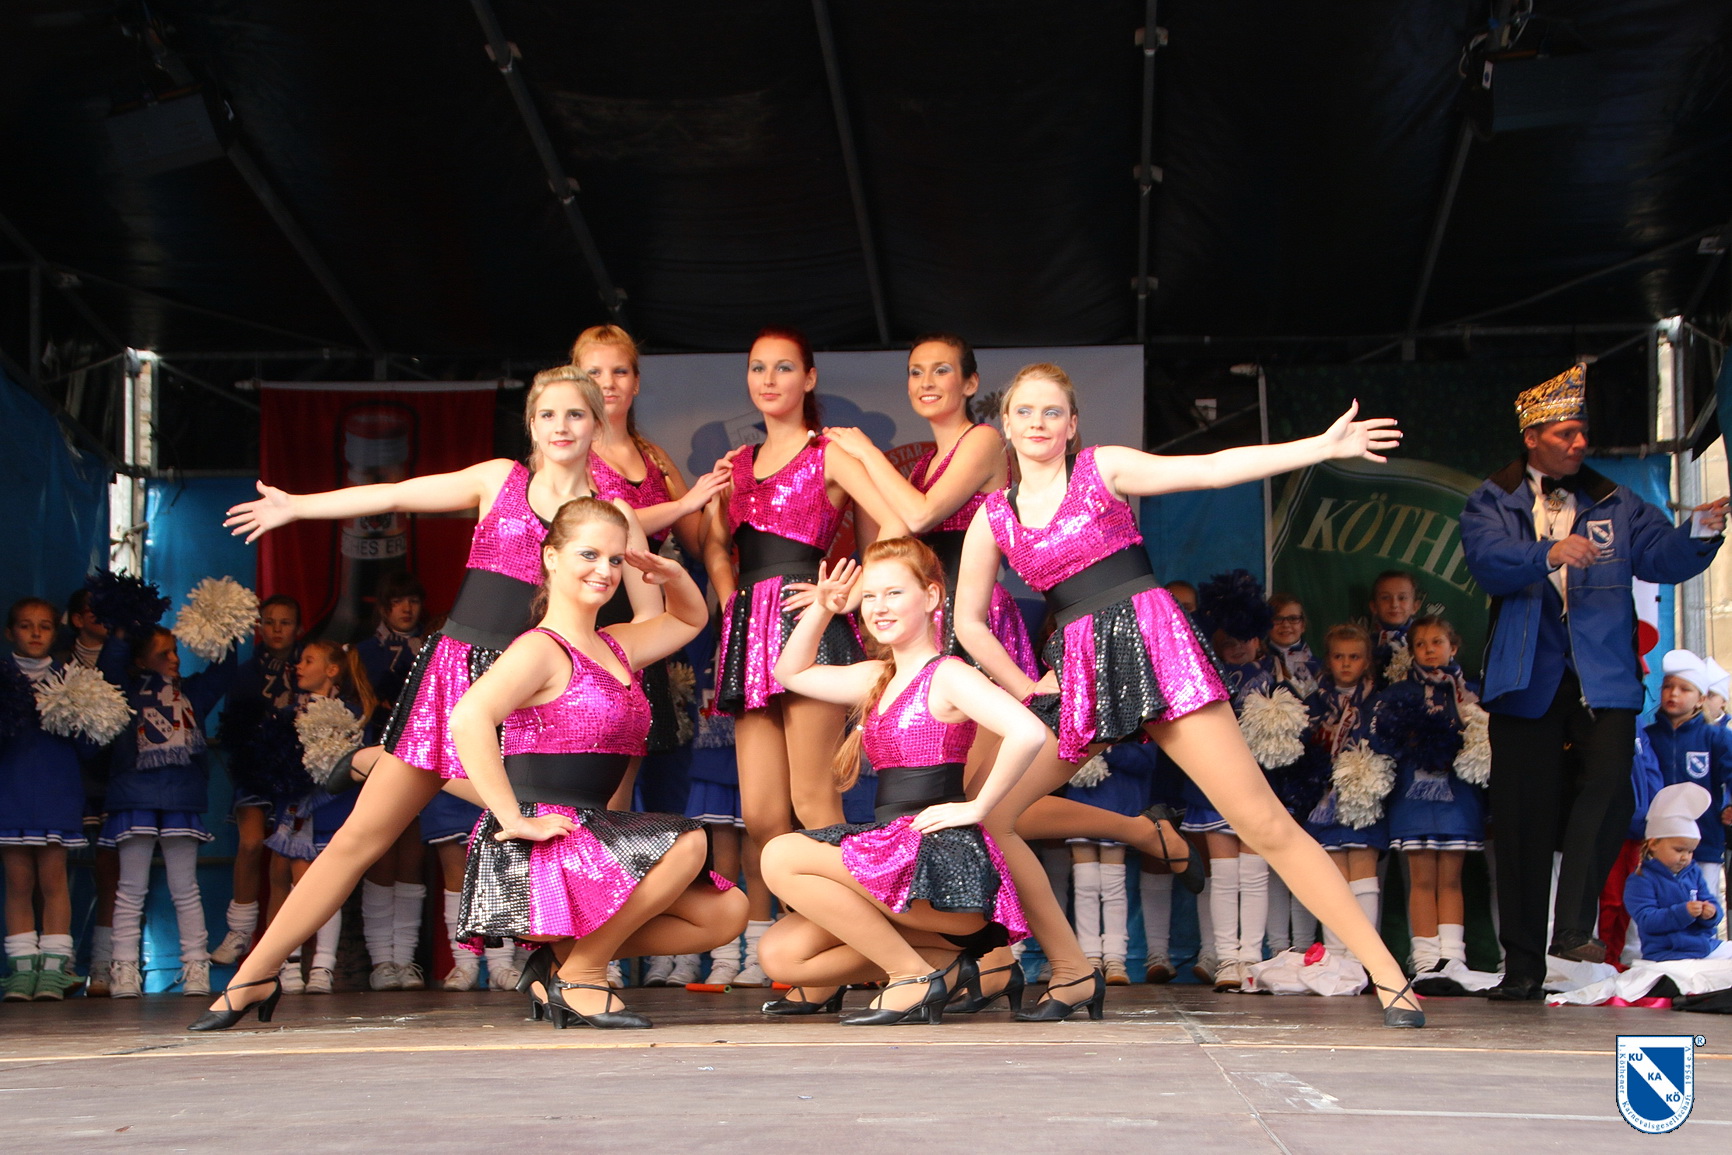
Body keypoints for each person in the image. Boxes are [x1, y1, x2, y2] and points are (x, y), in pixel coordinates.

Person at [953, 363, 1422, 1025]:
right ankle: (1072, 970)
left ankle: (1390, 975)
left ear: (1073, 423)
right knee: (992, 815)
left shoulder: (1102, 468)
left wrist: (1319, 446)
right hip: (1082, 668)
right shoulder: (993, 517)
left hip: (1155, 645)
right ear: (1006, 423)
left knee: (1262, 823)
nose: (1038, 422)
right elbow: (968, 622)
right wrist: (1027, 684)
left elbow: (1212, 469)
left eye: (1052, 411)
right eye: (1025, 411)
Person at [192, 367, 660, 1029]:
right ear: (531, 424)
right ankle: (255, 974)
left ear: (597, 423)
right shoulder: (499, 479)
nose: (562, 427)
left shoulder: (615, 517)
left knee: (567, 831)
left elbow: (650, 619)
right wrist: (296, 506)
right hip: (455, 675)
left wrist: (583, 664)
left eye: (576, 415)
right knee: (358, 839)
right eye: (548, 414)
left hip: (540, 689)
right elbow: (395, 492)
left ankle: (562, 969)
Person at [1460, 363, 1728, 999]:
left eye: (1583, 432)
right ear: (1533, 437)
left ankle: (1574, 924)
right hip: (1526, 677)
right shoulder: (1492, 500)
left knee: (1610, 792)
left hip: (1603, 674)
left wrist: (1699, 530)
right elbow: (1488, 563)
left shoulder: (1617, 502)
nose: (1580, 443)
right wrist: (1546, 552)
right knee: (1522, 823)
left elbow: (1661, 556)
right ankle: (1522, 971)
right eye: (1567, 434)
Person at [451, 497, 746, 1029]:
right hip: (543, 845)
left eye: (615, 559)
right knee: (688, 841)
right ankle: (584, 975)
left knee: (726, 913)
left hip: (591, 835)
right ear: (551, 557)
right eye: (589, 555)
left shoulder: (617, 644)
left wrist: (673, 573)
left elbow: (689, 618)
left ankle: (559, 963)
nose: (605, 571)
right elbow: (469, 718)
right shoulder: (540, 648)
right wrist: (513, 819)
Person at [755, 541, 1043, 1024]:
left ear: (931, 597)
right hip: (891, 854)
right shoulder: (876, 678)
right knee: (781, 955)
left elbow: (1027, 731)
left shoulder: (947, 674)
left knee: (781, 854)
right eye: (869, 596)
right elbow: (790, 672)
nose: (879, 607)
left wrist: (977, 808)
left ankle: (909, 976)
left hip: (941, 867)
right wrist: (823, 607)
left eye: (893, 593)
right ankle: (942, 964)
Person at [700, 326, 909, 984]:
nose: (769, 379)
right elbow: (714, 545)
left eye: (784, 367)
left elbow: (896, 527)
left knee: (815, 805)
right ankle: (814, 959)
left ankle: (866, 954)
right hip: (749, 633)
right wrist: (733, 601)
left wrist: (845, 594)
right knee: (764, 817)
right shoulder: (736, 465)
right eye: (758, 367)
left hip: (810, 626)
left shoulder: (829, 454)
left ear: (809, 378)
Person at [574, 324, 732, 805]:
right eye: (595, 372)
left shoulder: (654, 457)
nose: (608, 383)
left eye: (620, 371)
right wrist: (684, 504)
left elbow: (698, 541)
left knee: (664, 755)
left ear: (637, 382)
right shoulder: (572, 451)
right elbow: (602, 526)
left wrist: (721, 498)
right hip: (601, 609)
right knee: (605, 758)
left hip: (656, 617)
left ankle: (661, 849)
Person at [821, 333, 1037, 679]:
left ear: (970, 383)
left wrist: (868, 453)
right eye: (916, 372)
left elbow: (921, 515)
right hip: (928, 612)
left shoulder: (983, 438)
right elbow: (889, 543)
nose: (926, 382)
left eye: (941, 370)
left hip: (974, 609)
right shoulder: (922, 468)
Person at [101, 625, 236, 998]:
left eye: (175, 650)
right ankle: (125, 967)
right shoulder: (124, 691)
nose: (175, 658)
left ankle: (196, 966)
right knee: (131, 889)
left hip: (181, 796)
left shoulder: (192, 692)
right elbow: (109, 665)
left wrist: (225, 628)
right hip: (135, 796)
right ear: (141, 659)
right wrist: (123, 627)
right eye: (164, 653)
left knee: (185, 888)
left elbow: (224, 671)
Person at [1371, 615, 1484, 981]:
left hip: (1457, 798)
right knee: (1421, 878)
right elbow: (1381, 741)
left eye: (1437, 642)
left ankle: (1452, 957)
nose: (1429, 650)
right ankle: (1423, 958)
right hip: (1413, 798)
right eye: (1420, 644)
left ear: (1454, 647)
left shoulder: (1472, 693)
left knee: (1450, 879)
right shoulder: (1398, 694)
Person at [1181, 572, 1277, 991]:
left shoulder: (1278, 679)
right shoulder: (1208, 677)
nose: (1238, 648)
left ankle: (1251, 959)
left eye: (1245, 639)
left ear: (1259, 638)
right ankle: (1226, 959)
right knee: (1223, 874)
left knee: (1254, 873)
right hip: (1214, 784)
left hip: (1257, 785)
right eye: (1229, 640)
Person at [268, 639, 377, 995]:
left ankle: (322, 968)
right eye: (299, 661)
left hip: (336, 811)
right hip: (300, 813)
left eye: (308, 660)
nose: (299, 666)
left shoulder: (354, 715)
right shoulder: (286, 713)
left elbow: (361, 766)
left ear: (332, 670)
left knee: (328, 890)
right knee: (299, 886)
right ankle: (290, 966)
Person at [0, 598, 89, 1001]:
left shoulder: (74, 681)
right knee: (18, 881)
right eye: (25, 625)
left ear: (56, 633)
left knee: (54, 879)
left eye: (45, 626)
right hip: (11, 791)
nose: (35, 633)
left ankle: (54, 971)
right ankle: (21, 972)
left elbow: (91, 746)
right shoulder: (2, 678)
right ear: (10, 632)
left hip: (58, 791)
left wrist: (80, 719)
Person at [210, 594, 302, 969]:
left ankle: (278, 949)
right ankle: (240, 931)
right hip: (253, 768)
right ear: (258, 627)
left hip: (295, 772)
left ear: (298, 628)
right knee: (250, 843)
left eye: (285, 622)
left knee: (284, 859)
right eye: (269, 622)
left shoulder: (306, 666)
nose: (276, 629)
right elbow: (233, 725)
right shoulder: (246, 671)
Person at [354, 572, 436, 992]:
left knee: (411, 861)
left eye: (413, 600)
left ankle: (404, 960)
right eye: (397, 601)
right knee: (380, 858)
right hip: (381, 759)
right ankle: (381, 961)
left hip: (425, 760)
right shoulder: (363, 653)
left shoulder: (436, 648)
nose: (406, 609)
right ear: (383, 608)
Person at [1300, 624, 1385, 964]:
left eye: (1354, 657)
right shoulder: (1313, 703)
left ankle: (1365, 958)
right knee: (1333, 879)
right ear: (1328, 660)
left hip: (1363, 799)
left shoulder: (1378, 701)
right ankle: (1335, 956)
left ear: (1367, 661)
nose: (1346, 663)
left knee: (1362, 872)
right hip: (1324, 800)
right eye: (1338, 656)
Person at [1642, 649, 1732, 915]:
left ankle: (1703, 939)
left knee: (1704, 905)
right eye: (1668, 687)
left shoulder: (1715, 737)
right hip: (1655, 844)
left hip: (1704, 841)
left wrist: (1728, 804)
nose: (1674, 694)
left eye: (1684, 689)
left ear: (1700, 698)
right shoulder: (1647, 737)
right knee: (1659, 905)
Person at [1623, 782, 1731, 961]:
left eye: (1690, 851)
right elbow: (1647, 920)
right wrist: (1683, 912)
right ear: (1654, 844)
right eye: (1679, 850)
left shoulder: (1693, 872)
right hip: (1668, 952)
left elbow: (1709, 899)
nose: (1685, 857)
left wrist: (1711, 913)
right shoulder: (1640, 879)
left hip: (1705, 946)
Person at [1367, 571, 1421, 686]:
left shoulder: (1423, 643)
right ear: (1374, 606)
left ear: (1415, 606)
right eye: (1385, 598)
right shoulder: (1365, 644)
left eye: (1402, 598)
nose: (1394, 604)